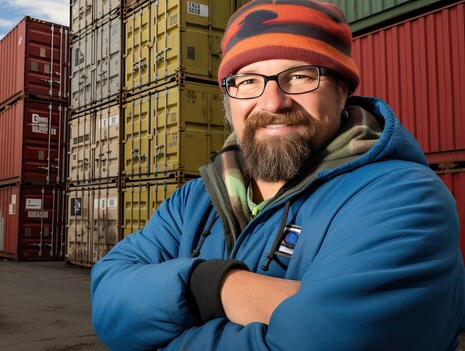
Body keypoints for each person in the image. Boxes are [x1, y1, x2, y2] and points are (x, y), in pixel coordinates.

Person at [91, 0, 465, 350]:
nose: (272, 103)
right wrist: (210, 285)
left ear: (342, 90)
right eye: (248, 81)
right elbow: (108, 300)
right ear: (228, 97)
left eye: (300, 76)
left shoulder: (404, 199)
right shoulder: (194, 200)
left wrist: (159, 330)